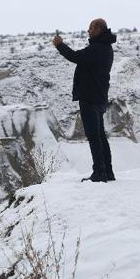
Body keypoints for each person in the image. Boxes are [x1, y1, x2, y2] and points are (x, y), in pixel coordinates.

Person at [52, 19, 117, 182]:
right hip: (100, 97)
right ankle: (108, 172)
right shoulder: (106, 48)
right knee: (100, 136)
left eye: (90, 28)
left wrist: (60, 45)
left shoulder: (97, 48)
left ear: (98, 29)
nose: (88, 31)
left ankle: (99, 173)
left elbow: (75, 56)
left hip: (89, 97)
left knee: (94, 137)